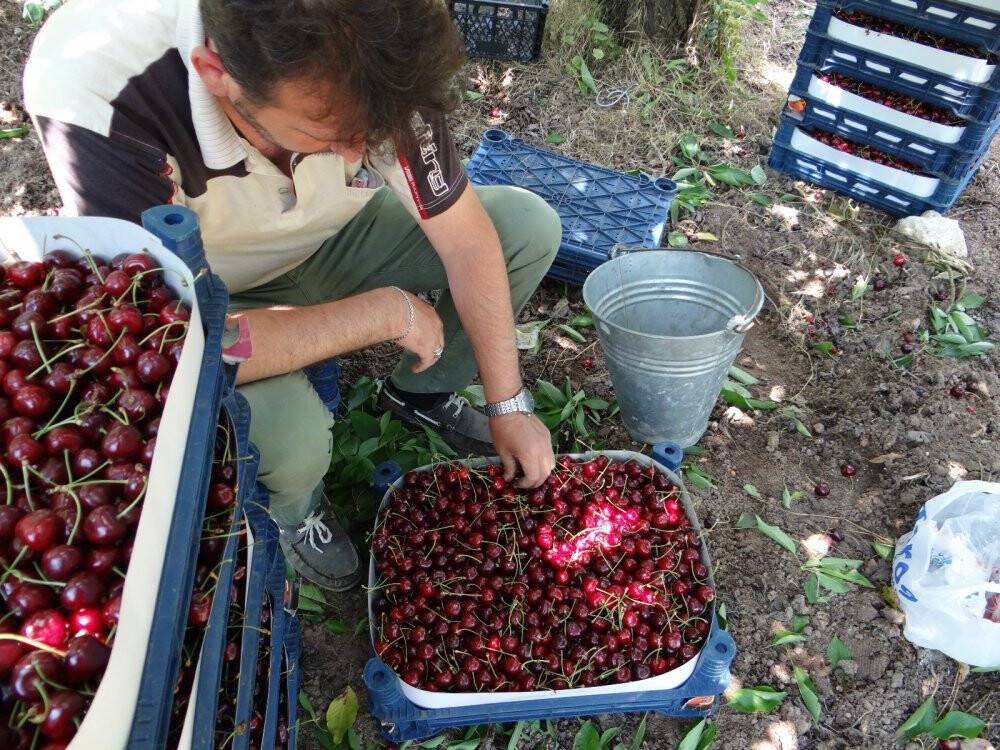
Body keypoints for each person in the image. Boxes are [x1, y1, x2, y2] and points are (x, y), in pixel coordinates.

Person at [23, 0, 561, 590]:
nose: (357, 156)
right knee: (295, 440)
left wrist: (509, 403)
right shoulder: (101, 97)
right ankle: (295, 511)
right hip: (212, 294)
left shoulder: (383, 46)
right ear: (215, 74)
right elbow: (176, 344)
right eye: (327, 134)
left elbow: (468, 243)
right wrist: (382, 313)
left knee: (524, 228)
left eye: (369, 135)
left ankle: (422, 393)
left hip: (328, 238)